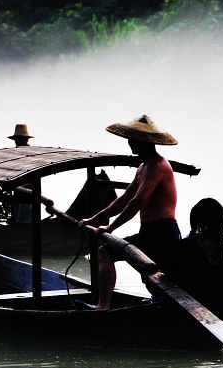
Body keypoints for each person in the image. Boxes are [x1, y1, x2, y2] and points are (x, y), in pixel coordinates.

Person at [77, 114, 180, 310]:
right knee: (113, 255)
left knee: (106, 251)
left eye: (132, 140)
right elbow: (124, 200)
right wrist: (94, 219)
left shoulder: (157, 165)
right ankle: (106, 304)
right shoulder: (143, 166)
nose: (129, 144)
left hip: (163, 232)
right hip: (149, 231)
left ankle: (103, 305)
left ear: (143, 142)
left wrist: (110, 227)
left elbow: (136, 203)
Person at [165, 198, 223, 325]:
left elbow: (169, 274)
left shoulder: (185, 247)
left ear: (196, 221)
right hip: (221, 323)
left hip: (190, 321)